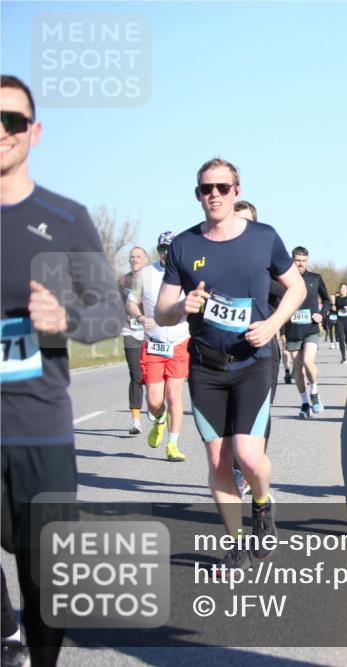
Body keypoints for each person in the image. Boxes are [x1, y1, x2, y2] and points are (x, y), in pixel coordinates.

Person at [1, 74, 123, 666]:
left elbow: (109, 317)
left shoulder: (64, 217)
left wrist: (62, 317)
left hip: (39, 428)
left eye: (12, 122)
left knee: (45, 577)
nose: (1, 133)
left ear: (34, 132)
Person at [155, 158, 306, 569]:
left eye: (222, 187)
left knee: (249, 456)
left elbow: (296, 287)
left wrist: (274, 322)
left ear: (237, 190)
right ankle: (236, 541)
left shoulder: (263, 238)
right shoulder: (185, 246)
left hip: (253, 361)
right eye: (207, 189)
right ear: (198, 195)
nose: (215, 195)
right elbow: (162, 310)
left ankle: (262, 504)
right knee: (219, 461)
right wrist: (182, 306)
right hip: (206, 366)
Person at [232, 199, 284, 497]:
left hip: (263, 347)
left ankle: (251, 469)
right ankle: (239, 470)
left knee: (259, 414)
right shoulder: (214, 255)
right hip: (225, 349)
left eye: (247, 222)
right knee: (232, 418)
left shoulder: (268, 255)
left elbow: (294, 291)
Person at [126, 232, 190, 462]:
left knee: (174, 395)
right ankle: (159, 421)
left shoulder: (186, 272)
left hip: (179, 342)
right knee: (154, 401)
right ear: (158, 250)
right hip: (153, 344)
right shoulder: (146, 273)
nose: (166, 252)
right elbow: (131, 302)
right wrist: (142, 318)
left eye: (170, 249)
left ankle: (172, 445)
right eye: (162, 248)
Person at [284, 246, 331, 418]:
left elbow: (326, 300)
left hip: (311, 328)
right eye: (298, 261)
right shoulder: (284, 280)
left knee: (308, 361)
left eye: (304, 261)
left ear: (307, 261)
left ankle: (315, 392)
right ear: (292, 261)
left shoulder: (315, 278)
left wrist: (321, 314)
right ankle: (304, 403)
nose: (301, 264)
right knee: (297, 368)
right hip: (292, 329)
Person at [120, 246, 148, 435]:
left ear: (145, 259)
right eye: (132, 257)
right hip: (130, 331)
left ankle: (155, 408)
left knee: (153, 376)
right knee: (136, 375)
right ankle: (136, 419)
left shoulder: (153, 277)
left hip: (152, 333)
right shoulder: (122, 281)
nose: (134, 259)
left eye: (138, 257)